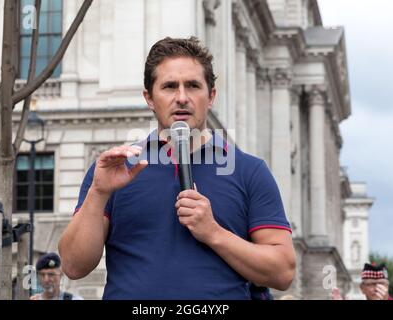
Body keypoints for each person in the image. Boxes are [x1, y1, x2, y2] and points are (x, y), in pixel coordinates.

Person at [59, 36, 296, 299]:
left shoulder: (249, 171)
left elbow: (283, 272)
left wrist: (213, 232)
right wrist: (98, 192)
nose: (182, 98)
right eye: (169, 86)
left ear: (211, 96)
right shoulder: (114, 169)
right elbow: (73, 266)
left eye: (193, 86)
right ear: (149, 98)